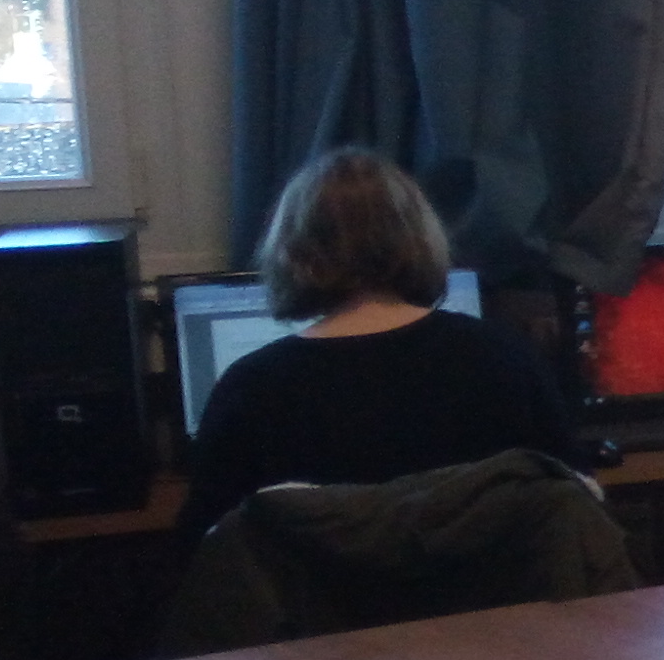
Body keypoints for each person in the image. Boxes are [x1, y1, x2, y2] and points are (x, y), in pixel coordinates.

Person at [178, 149, 572, 535]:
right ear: (421, 240)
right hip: (486, 580)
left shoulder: (251, 389)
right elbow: (572, 505)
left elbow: (206, 550)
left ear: (295, 252)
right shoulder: (506, 360)